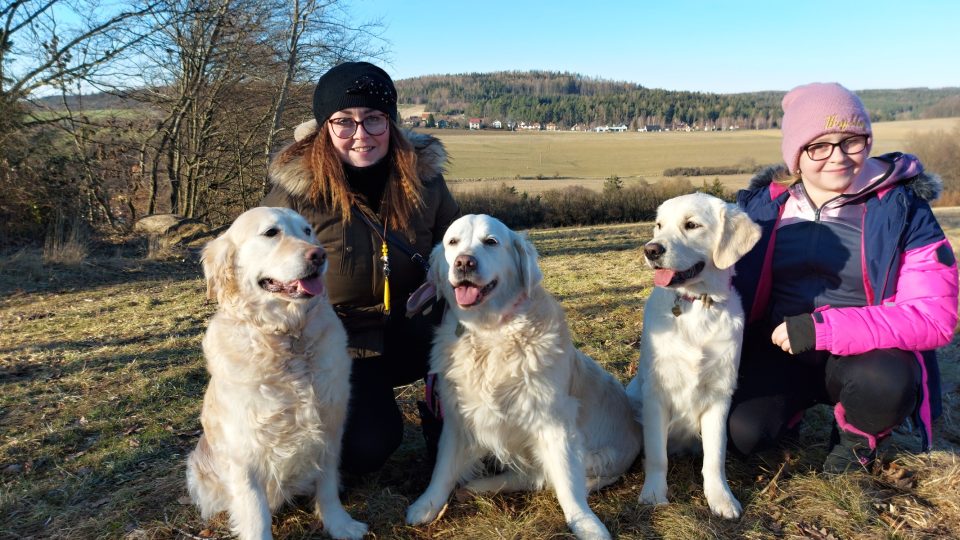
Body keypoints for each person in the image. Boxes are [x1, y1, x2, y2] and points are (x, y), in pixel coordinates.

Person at [728, 82, 958, 473]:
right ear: (796, 155)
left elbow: (935, 317)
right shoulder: (762, 210)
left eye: (851, 141)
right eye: (819, 146)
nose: (837, 157)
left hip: (867, 356)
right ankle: (788, 419)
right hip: (777, 349)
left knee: (885, 380)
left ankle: (855, 443)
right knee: (742, 435)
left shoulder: (905, 211)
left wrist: (823, 328)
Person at [262, 61, 459, 474]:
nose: (361, 135)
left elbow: (454, 251)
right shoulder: (294, 193)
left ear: (391, 121)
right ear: (324, 127)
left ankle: (458, 430)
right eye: (344, 122)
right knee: (369, 445)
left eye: (374, 119)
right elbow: (259, 277)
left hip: (415, 323)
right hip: (340, 340)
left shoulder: (425, 180)